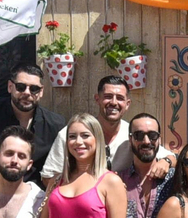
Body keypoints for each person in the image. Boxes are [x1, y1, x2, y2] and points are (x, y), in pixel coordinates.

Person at [42, 76, 174, 183]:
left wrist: (165, 161)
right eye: (108, 96)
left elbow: (172, 157)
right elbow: (48, 176)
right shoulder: (71, 135)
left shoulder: (135, 135)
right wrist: (84, 185)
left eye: (120, 98)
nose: (114, 102)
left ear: (127, 104)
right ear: (97, 99)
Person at [0, 63, 65, 184]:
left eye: (34, 89)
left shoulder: (55, 125)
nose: (27, 93)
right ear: (10, 87)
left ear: (41, 91)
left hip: (33, 199)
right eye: (21, 87)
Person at [118, 113, 174, 218]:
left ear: (159, 140)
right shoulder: (116, 181)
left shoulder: (174, 180)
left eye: (152, 135)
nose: (146, 141)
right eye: (138, 135)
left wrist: (169, 160)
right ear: (130, 139)